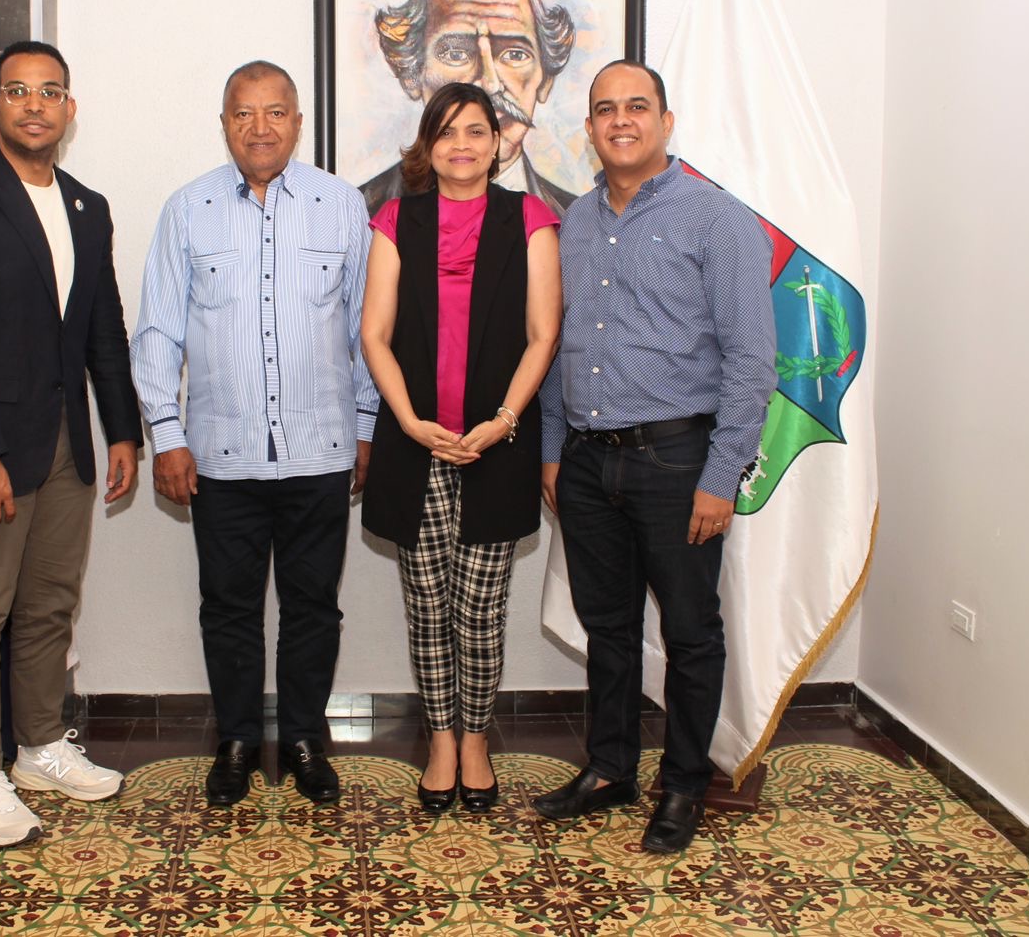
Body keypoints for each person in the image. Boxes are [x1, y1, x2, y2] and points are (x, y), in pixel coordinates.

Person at [532, 61, 776, 853]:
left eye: (637, 106)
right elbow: (560, 342)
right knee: (607, 626)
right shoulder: (574, 223)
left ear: (666, 122)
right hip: (586, 462)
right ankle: (610, 769)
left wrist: (721, 474)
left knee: (691, 632)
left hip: (678, 462)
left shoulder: (717, 219)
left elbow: (751, 361)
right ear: (590, 129)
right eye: (605, 109)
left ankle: (683, 785)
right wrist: (552, 451)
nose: (621, 120)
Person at [0, 40, 141, 847]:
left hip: (68, 447)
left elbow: (103, 328)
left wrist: (122, 431)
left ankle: (40, 747)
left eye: (49, 92)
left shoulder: (87, 207)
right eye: (17, 91)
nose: (34, 105)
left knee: (49, 608)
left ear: (69, 108)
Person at [131, 61, 378, 807]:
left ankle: (304, 739)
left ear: (298, 123)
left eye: (275, 113)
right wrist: (166, 434)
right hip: (220, 457)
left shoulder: (342, 206)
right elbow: (157, 332)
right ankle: (237, 740)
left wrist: (367, 426)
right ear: (224, 124)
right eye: (244, 113)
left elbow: (367, 329)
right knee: (228, 609)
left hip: (321, 450)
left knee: (314, 609)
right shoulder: (188, 209)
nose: (260, 127)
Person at [360, 83, 561, 813]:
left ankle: (476, 739)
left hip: (494, 447)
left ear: (497, 141)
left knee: (479, 607)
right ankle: (440, 739)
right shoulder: (395, 219)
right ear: (428, 144)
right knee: (426, 605)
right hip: (416, 444)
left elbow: (543, 334)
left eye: (475, 130)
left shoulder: (530, 218)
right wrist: (410, 421)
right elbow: (374, 336)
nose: (462, 145)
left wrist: (504, 420)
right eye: (446, 132)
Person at [361, 0, 579, 218]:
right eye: (456, 54)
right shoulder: (364, 211)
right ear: (411, 74)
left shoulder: (574, 219)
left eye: (514, 54)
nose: (490, 84)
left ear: (545, 80)